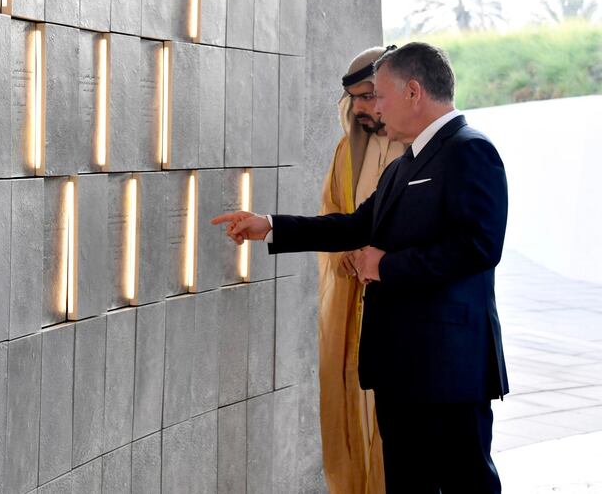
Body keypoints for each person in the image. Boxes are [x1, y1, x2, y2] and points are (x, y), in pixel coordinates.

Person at [213, 42, 509, 494]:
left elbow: (478, 248)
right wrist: (269, 227)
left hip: (449, 365)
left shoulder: (470, 151)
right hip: (398, 365)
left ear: (414, 92)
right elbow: (354, 226)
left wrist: (388, 266)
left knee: (465, 482)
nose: (375, 111)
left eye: (380, 97)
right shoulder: (405, 163)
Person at [318, 46, 405, 494]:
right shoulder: (346, 150)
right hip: (354, 304)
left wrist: (377, 255)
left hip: (403, 307)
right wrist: (349, 254)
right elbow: (338, 215)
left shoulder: (422, 152)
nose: (367, 109)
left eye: (374, 96)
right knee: (351, 411)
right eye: (359, 99)